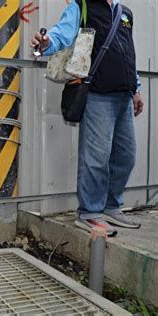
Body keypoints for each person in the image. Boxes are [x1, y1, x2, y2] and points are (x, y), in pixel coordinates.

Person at [30, 0, 144, 236]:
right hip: (98, 94)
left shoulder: (125, 13)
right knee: (96, 158)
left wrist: (137, 88)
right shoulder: (81, 6)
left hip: (124, 95)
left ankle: (112, 206)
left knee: (125, 156)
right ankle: (89, 213)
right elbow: (61, 34)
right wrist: (46, 42)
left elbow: (128, 51)